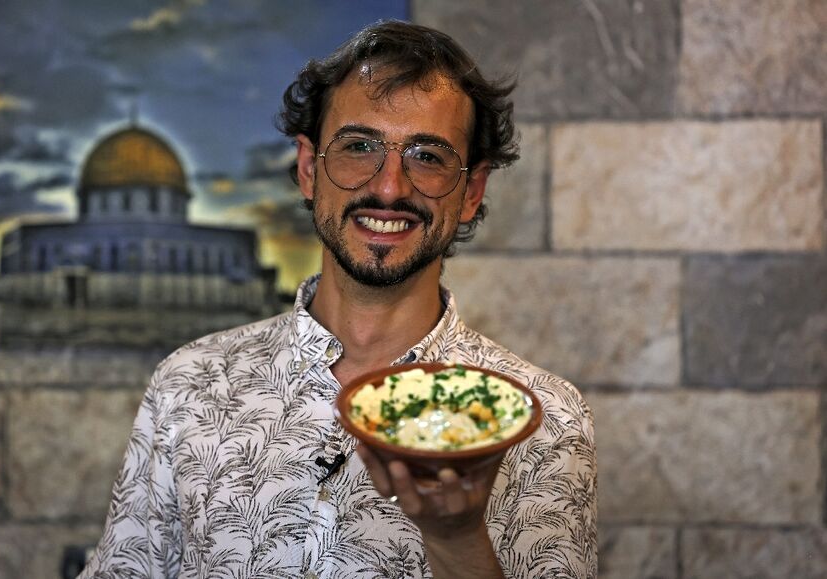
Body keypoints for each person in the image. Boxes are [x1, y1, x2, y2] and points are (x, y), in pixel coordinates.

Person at [78, 20, 596, 579]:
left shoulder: (547, 423)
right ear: (308, 169)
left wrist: (456, 538)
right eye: (359, 147)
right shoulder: (189, 386)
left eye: (427, 156)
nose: (391, 186)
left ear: (471, 192)